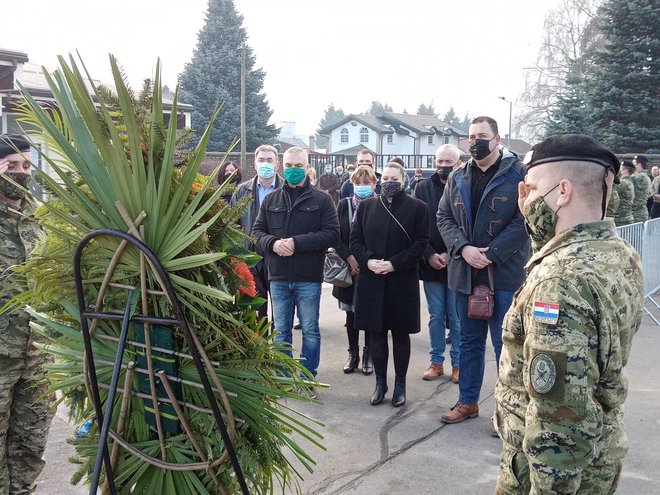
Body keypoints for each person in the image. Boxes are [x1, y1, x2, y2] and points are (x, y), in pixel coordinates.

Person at [494, 134, 644, 494]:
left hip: (547, 474)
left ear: (562, 192)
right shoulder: (619, 254)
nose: (526, 201)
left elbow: (558, 422)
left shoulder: (559, 283)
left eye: (531, 190)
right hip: (600, 455)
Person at [437, 116, 528, 426]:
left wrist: (492, 254)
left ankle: (508, 411)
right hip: (465, 272)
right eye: (471, 135)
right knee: (469, 342)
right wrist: (464, 249)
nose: (475, 140)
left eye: (482, 135)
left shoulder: (518, 174)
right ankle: (468, 402)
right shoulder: (458, 175)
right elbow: (444, 217)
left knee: (505, 344)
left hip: (503, 273)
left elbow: (524, 219)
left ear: (497, 139)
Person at [252, 147, 339, 383]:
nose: (293, 170)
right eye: (289, 166)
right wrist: (273, 243)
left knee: (310, 330)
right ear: (283, 165)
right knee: (281, 332)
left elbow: (332, 234)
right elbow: (257, 231)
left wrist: (296, 243)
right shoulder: (272, 199)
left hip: (307, 277)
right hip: (278, 276)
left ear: (307, 167)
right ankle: (283, 377)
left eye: (298, 166)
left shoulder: (322, 199)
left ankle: (308, 376)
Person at [0, 134, 55, 494]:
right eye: (11, 166)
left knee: (30, 443)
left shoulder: (40, 215)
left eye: (26, 165)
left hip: (37, 353)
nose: (21, 173)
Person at [350, 161, 429, 407]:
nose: (389, 182)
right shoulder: (366, 207)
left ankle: (400, 386)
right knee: (376, 333)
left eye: (394, 178)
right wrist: (368, 261)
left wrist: (394, 263)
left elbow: (420, 244)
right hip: (371, 279)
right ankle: (380, 383)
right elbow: (355, 240)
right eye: (385, 178)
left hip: (401, 280)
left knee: (401, 333)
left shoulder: (419, 208)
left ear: (403, 181)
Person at [413, 145, 461, 384]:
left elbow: (468, 226)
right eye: (440, 161)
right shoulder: (421, 188)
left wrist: (453, 253)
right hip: (431, 263)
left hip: (458, 262)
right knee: (436, 316)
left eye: (448, 161)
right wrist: (430, 254)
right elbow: (416, 227)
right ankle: (436, 362)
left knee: (457, 316)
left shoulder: (465, 186)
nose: (444, 165)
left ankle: (458, 364)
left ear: (458, 163)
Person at [332, 165, 378, 375]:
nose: (362, 187)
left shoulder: (380, 205)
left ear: (374, 184)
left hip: (370, 268)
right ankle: (353, 353)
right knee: (350, 314)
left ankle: (369, 354)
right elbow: (337, 236)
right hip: (348, 268)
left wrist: (365, 261)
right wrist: (350, 259)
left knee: (368, 312)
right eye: (358, 183)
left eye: (366, 183)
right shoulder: (344, 205)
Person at [230, 145, 283, 323]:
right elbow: (232, 225)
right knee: (256, 313)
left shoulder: (286, 190)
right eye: (261, 160)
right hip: (251, 258)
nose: (265, 164)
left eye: (269, 160)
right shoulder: (242, 191)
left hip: (279, 258)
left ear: (277, 164)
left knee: (280, 314)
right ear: (255, 163)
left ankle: (277, 347)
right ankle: (260, 347)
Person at [630, 154, 651, 223]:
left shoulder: (637, 177)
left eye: (633, 163)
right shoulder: (645, 176)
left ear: (638, 165)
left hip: (636, 214)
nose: (632, 166)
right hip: (640, 212)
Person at [614, 161, 635, 226]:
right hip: (627, 218)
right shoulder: (629, 182)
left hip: (620, 219)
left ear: (625, 171)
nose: (618, 171)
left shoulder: (622, 183)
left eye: (620, 169)